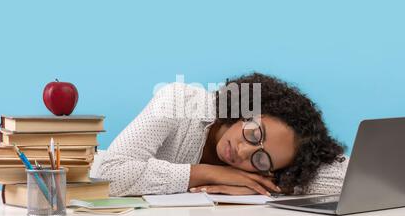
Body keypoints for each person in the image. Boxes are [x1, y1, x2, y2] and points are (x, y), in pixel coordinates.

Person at [98, 72, 347, 197]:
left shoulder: (262, 174)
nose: (243, 151)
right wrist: (213, 173)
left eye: (261, 159)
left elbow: (346, 180)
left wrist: (272, 186)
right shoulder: (178, 101)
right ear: (248, 109)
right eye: (253, 134)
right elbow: (108, 174)